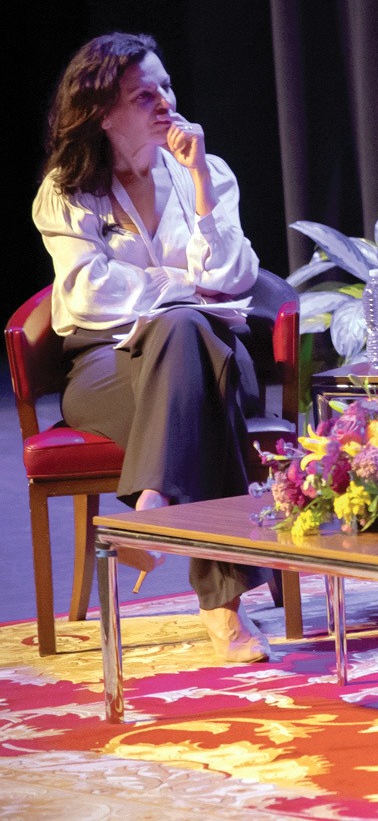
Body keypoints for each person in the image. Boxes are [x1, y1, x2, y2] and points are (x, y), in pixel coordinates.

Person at [33, 32, 272, 663]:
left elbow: (233, 277)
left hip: (218, 353)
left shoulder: (208, 172)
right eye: (145, 95)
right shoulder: (67, 190)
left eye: (166, 86)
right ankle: (223, 614)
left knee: (186, 332)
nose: (165, 102)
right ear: (104, 114)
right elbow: (85, 294)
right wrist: (176, 288)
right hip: (106, 367)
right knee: (183, 335)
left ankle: (152, 506)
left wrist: (197, 182)